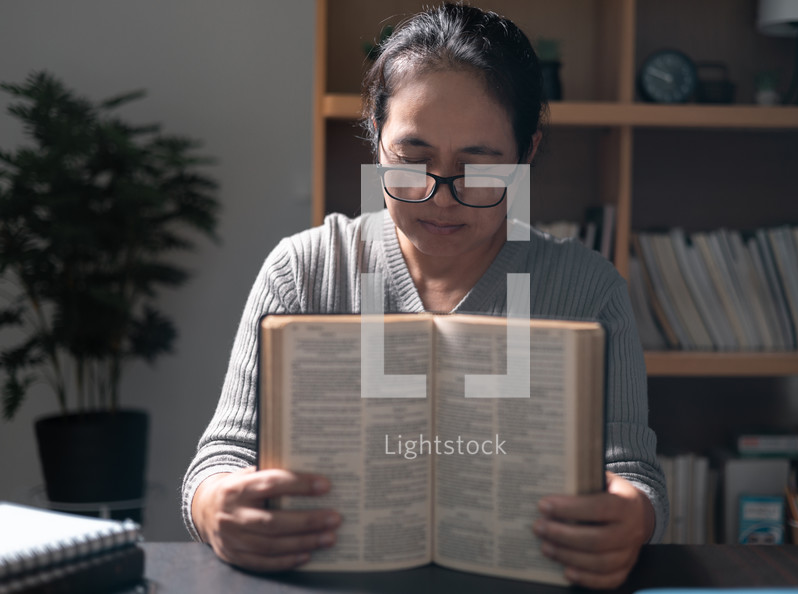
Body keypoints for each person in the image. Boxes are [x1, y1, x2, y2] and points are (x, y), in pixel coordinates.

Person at [182, 3, 667, 589]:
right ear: (375, 137)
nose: (441, 198)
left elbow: (633, 473)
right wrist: (214, 508)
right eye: (412, 161)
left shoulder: (588, 289)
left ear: (528, 152)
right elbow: (222, 456)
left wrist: (630, 517)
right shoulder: (304, 271)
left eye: (478, 166)